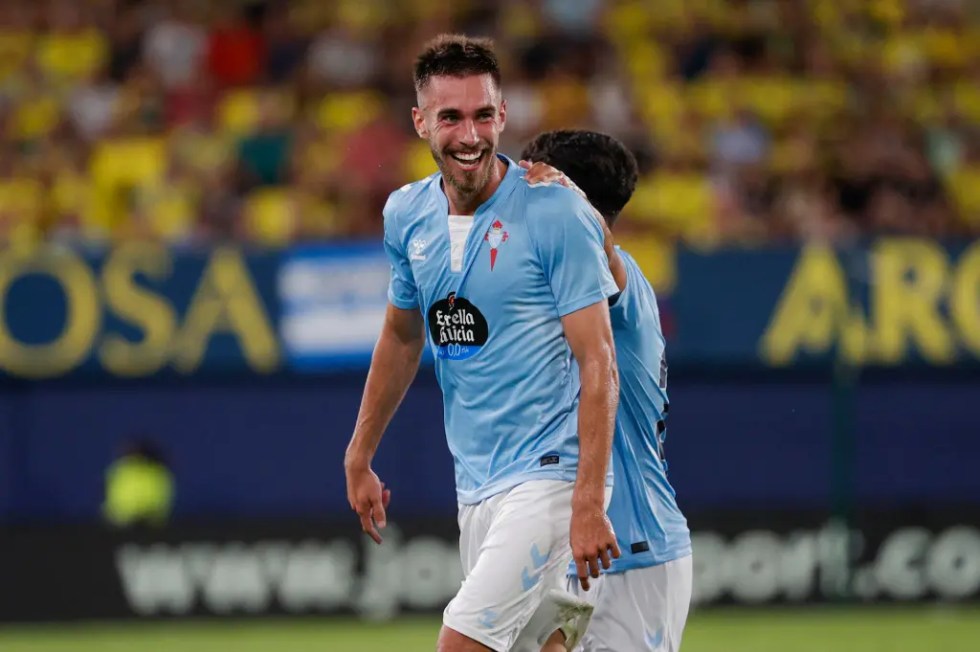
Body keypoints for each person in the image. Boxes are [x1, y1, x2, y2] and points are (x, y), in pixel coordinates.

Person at [343, 35, 622, 652]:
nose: (469, 135)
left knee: (459, 645)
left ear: (503, 116)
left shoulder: (555, 212)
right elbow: (400, 332)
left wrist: (586, 501)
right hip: (477, 491)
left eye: (482, 115)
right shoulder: (405, 215)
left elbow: (598, 360)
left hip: (552, 481)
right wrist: (359, 454)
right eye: (450, 117)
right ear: (420, 122)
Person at [519, 130, 693, 651]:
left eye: (535, 182)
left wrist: (565, 198)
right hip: (570, 553)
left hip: (635, 553)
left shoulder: (621, 281)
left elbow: (602, 250)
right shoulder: (560, 292)